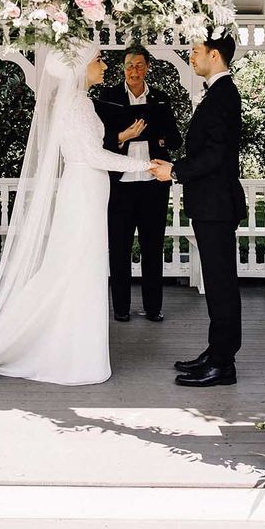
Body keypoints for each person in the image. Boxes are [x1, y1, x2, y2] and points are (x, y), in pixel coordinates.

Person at [0, 44, 158, 392]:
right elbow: (92, 155)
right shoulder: (76, 103)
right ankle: (73, 356)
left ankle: (76, 350)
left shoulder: (79, 101)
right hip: (83, 190)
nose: (104, 65)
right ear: (79, 67)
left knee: (80, 270)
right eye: (98, 60)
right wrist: (144, 165)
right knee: (77, 269)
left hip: (87, 191)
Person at [152, 35, 246, 387]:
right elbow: (207, 150)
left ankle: (223, 364)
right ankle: (216, 351)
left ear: (214, 55)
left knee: (221, 284)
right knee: (217, 281)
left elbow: (215, 156)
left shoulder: (223, 94)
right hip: (211, 204)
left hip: (217, 205)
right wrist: (174, 163)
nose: (191, 57)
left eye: (195, 52)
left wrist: (174, 172)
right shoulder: (217, 92)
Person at [96, 45, 182, 323]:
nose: (135, 70)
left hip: (153, 183)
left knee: (152, 246)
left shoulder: (160, 99)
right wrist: (123, 136)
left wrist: (158, 139)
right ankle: (121, 308)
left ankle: (153, 307)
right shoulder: (108, 98)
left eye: (140, 65)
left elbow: (176, 139)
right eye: (130, 65)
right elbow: (98, 142)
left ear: (147, 68)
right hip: (119, 185)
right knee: (119, 247)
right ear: (123, 68)